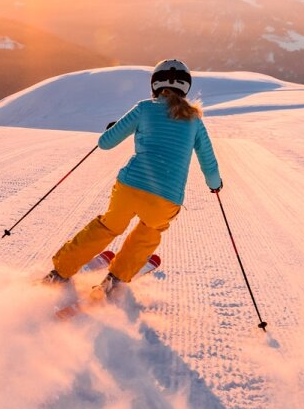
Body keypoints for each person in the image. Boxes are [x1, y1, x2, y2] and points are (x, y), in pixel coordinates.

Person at [44, 59, 222, 299]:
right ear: (186, 88)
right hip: (166, 197)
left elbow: (105, 143)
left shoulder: (143, 108)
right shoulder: (195, 121)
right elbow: (208, 162)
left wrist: (116, 127)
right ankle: (114, 281)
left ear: (155, 85)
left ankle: (59, 273)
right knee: (148, 232)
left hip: (129, 187)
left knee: (108, 226)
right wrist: (215, 185)